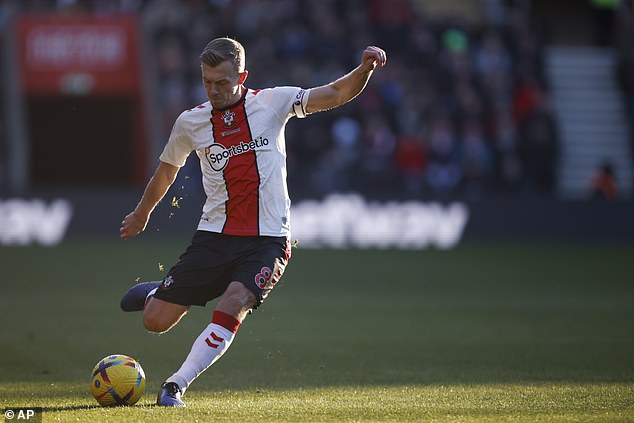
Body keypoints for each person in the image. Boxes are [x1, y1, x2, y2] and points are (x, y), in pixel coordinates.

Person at [119, 37, 387, 407]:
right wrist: (142, 214)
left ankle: (175, 385)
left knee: (235, 300)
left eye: (222, 83)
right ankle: (156, 293)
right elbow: (166, 173)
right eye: (207, 82)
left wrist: (364, 70)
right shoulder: (191, 122)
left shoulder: (272, 102)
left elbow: (335, 93)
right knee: (155, 321)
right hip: (214, 236)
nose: (213, 90)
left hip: (268, 240)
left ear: (242, 76)